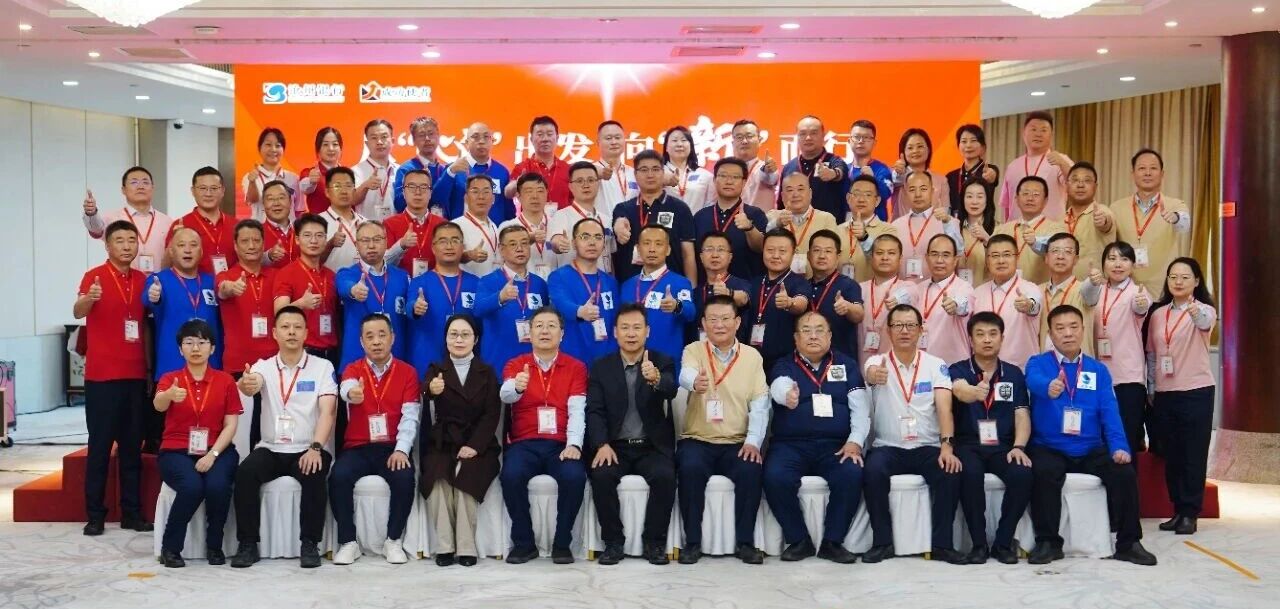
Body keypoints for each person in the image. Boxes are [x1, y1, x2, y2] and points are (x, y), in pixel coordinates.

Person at [1025, 305, 1156, 566]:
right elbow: (1033, 380)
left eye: (1073, 327)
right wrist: (1047, 387)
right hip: (1049, 446)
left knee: (1124, 473)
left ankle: (1129, 543)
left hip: (1090, 447)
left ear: (1083, 330)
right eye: (1060, 328)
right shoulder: (1037, 363)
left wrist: (1119, 447)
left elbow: (1110, 412)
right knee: (1043, 472)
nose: (1068, 333)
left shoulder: (1098, 370)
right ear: (1050, 334)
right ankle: (1048, 542)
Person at [230, 306, 338, 569]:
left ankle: (310, 543)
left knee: (314, 471)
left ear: (306, 333)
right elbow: (251, 383)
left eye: (297, 327)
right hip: (271, 447)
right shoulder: (263, 366)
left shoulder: (322, 367)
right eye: (285, 327)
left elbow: (328, 411)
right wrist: (246, 384)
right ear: (275, 333)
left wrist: (316, 447)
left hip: (307, 447)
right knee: (245, 473)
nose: (291, 332)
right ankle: (247, 544)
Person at [861, 304, 965, 564]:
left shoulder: (936, 365)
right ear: (888, 331)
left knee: (950, 471)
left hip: (927, 446)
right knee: (872, 471)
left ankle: (942, 544)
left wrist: (947, 447)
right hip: (888, 446)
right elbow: (870, 374)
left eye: (910, 325)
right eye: (898, 325)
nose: (904, 331)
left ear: (921, 330)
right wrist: (874, 375)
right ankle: (882, 542)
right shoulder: (876, 362)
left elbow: (944, 408)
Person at [764, 312, 868, 563]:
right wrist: (786, 395)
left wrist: (854, 441)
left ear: (830, 336)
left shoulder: (847, 365)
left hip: (836, 445)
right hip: (790, 445)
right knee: (775, 476)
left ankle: (833, 541)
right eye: (806, 330)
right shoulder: (784, 364)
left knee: (851, 473)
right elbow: (779, 385)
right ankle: (799, 540)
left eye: (820, 330)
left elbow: (860, 408)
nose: (813, 336)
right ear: (796, 338)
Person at [677, 295, 770, 564]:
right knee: (689, 468)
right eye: (713, 319)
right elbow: (685, 374)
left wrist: (753, 441)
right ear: (704, 323)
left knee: (751, 469)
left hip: (737, 441)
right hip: (698, 438)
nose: (719, 325)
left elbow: (760, 404)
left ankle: (745, 543)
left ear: (737, 322)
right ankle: (692, 542)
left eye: (726, 319)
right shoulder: (694, 350)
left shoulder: (752, 357)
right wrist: (694, 382)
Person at [73, 220, 152, 536]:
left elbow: (147, 325)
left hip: (135, 375)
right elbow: (78, 311)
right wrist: (90, 298)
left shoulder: (143, 280)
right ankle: (95, 515)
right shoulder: (94, 276)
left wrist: (149, 371)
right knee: (100, 447)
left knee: (132, 448)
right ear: (107, 245)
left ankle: (132, 513)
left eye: (132, 240)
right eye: (120, 240)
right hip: (102, 378)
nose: (127, 246)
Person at [585, 304, 679, 565]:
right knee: (601, 475)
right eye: (625, 328)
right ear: (615, 332)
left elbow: (671, 389)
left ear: (647, 331)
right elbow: (594, 410)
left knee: (665, 476)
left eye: (637, 327)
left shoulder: (662, 361)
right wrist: (601, 444)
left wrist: (656, 378)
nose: (631, 333)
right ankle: (613, 543)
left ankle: (654, 543)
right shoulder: (601, 367)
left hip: (651, 446)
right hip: (615, 446)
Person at [499, 307, 588, 564]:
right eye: (538, 326)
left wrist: (574, 445)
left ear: (562, 333)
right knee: (511, 475)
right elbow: (505, 395)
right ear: (529, 333)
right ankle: (524, 543)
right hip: (524, 443)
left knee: (574, 476)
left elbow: (577, 410)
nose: (545, 331)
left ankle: (562, 543)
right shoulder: (516, 364)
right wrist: (517, 387)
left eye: (551, 326)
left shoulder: (576, 367)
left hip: (560, 443)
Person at [331, 314, 421, 565]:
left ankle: (393, 540)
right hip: (358, 446)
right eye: (369, 337)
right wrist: (352, 393)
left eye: (382, 335)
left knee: (404, 477)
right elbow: (346, 388)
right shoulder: (353, 369)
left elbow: (410, 416)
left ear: (393, 338)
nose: (376, 341)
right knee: (338, 476)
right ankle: (348, 542)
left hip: (391, 446)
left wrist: (402, 450)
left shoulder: (408, 372)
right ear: (361, 342)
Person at [153, 319, 242, 567]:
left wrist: (212, 455)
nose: (195, 348)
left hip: (218, 449)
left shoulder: (225, 381)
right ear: (180, 349)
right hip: (176, 451)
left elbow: (231, 425)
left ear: (212, 348)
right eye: (189, 342)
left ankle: (214, 546)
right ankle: (170, 548)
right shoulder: (170, 379)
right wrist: (168, 395)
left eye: (202, 342)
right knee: (192, 486)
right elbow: (158, 405)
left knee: (218, 486)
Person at [947, 312, 1032, 564]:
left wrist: (1019, 446)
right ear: (970, 339)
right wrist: (973, 392)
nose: (987, 339)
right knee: (970, 474)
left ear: (1002, 338)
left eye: (993, 334)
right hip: (969, 444)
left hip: (1003, 446)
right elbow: (958, 389)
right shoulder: (957, 369)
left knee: (1022, 474)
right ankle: (978, 544)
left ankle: (1003, 543)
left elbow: (1022, 414)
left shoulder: (1014, 374)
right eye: (980, 334)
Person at [420, 314, 501, 567]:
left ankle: (466, 547)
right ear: (445, 339)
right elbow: (426, 392)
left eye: (465, 335)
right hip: (443, 441)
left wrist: (474, 446)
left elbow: (491, 414)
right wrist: (430, 391)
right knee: (437, 477)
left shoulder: (487, 373)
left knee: (467, 475)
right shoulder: (436, 370)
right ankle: (445, 546)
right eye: (453, 334)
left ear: (475, 340)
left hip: (480, 443)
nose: (459, 340)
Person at [1147, 257, 1217, 535]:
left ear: (1196, 281)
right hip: (1165, 393)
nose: (1178, 282)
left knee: (1193, 454)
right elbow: (1152, 355)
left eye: (1185, 277)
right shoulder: (1157, 314)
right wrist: (1152, 387)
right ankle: (1177, 509)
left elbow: (1204, 323)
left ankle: (1190, 512)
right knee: (1172, 454)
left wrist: (1193, 310)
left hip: (1196, 391)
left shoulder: (1205, 310)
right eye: (1173, 277)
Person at [1081, 241, 1152, 452]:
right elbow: (1086, 298)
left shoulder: (1137, 292)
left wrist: (1141, 304)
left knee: (1126, 437)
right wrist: (1091, 282)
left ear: (1133, 265)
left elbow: (1141, 307)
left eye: (1124, 259)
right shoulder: (1098, 290)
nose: (1118, 264)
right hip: (1096, 374)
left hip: (1127, 377)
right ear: (1104, 264)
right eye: (1112, 258)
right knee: (1098, 438)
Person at [1110, 148, 1192, 296]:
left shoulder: (1175, 204)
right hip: (1126, 289)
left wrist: (1175, 217)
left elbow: (1184, 225)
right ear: (1133, 174)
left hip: (1163, 289)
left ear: (1162, 174)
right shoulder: (1116, 207)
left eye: (1153, 168)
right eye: (1142, 168)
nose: (1147, 173)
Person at [148, 226, 223, 385]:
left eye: (193, 245)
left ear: (201, 252)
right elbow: (150, 299)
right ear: (171, 252)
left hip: (210, 367)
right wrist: (154, 296)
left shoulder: (212, 281)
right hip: (172, 367)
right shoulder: (158, 280)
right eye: (181, 245)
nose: (187, 250)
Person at [612, 149, 697, 282]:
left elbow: (688, 255)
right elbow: (619, 222)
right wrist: (618, 227)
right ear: (635, 174)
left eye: (655, 169)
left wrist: (691, 289)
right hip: (632, 287)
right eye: (644, 170)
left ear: (663, 173)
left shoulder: (680, 208)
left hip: (670, 287)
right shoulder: (623, 209)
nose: (650, 175)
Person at [475, 225, 550, 373]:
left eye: (524, 243)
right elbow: (477, 309)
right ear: (501, 250)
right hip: (498, 363)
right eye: (513, 244)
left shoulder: (539, 283)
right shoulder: (488, 281)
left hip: (534, 363)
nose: (520, 249)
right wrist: (500, 297)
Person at [407, 222, 479, 376]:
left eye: (455, 240)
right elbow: (410, 307)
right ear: (433, 248)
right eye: (443, 241)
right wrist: (415, 308)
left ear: (462, 247)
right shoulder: (419, 282)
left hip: (466, 362)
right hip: (429, 359)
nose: (449, 246)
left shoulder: (475, 282)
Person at [336, 221, 410, 369]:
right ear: (357, 245)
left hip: (396, 358)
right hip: (357, 359)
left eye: (377, 239)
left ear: (386, 242)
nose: (371, 245)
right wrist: (354, 290)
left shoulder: (402, 277)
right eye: (365, 240)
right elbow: (344, 286)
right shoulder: (347, 274)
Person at [619, 225, 697, 367]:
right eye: (647, 243)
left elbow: (691, 312)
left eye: (659, 244)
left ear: (668, 250)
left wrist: (677, 305)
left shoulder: (680, 283)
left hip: (666, 363)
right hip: (631, 363)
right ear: (638, 249)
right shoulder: (627, 285)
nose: (652, 249)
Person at [549, 218, 619, 365]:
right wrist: (580, 311)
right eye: (585, 237)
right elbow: (562, 303)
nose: (592, 242)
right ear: (574, 243)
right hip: (572, 361)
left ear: (604, 244)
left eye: (598, 237)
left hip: (608, 362)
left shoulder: (610, 281)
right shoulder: (558, 277)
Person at [272, 214, 339, 364]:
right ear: (297, 239)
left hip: (331, 352)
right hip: (302, 352)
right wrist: (301, 304)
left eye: (319, 235)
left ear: (325, 239)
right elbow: (279, 312)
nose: (314, 241)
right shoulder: (286, 273)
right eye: (307, 235)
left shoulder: (331, 275)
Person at [741, 228, 810, 372]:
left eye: (782, 251)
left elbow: (801, 304)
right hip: (751, 359)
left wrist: (790, 303)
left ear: (793, 253)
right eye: (770, 250)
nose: (776, 256)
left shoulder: (799, 282)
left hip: (785, 362)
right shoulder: (754, 282)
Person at [82, 166, 174, 273]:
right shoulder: (113, 218)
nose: (140, 187)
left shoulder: (167, 222)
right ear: (123, 190)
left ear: (152, 188)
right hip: (124, 280)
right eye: (134, 182)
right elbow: (96, 229)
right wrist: (91, 213)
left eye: (145, 182)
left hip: (159, 280)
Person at [972, 234, 1044, 369]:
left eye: (1007, 255)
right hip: (985, 371)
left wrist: (1028, 305)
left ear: (1017, 258)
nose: (1001, 261)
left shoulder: (1030, 289)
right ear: (987, 260)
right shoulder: (977, 293)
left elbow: (1035, 305)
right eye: (995, 256)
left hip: (1022, 371)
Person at [217, 220, 278, 375]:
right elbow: (223, 288)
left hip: (273, 362)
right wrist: (232, 287)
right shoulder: (226, 276)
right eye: (245, 241)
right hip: (238, 363)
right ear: (235, 246)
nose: (251, 246)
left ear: (263, 245)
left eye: (256, 240)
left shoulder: (277, 276)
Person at [692, 157, 768, 282]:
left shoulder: (755, 214)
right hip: (706, 288)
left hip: (745, 287)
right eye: (723, 176)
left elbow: (763, 248)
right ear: (714, 180)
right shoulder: (701, 216)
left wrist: (750, 228)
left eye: (735, 177)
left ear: (744, 182)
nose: (729, 181)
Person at [912, 233, 974, 366]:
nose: (939, 260)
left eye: (946, 255)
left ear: (955, 260)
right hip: (921, 364)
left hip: (953, 366)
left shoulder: (964, 288)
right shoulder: (919, 288)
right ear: (927, 258)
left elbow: (963, 304)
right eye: (934, 254)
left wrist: (955, 305)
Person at [998, 112, 1073, 221]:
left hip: (1050, 229)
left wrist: (1063, 164)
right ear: (1024, 133)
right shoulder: (1013, 166)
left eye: (1044, 130)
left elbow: (1074, 185)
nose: (1038, 134)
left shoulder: (1061, 160)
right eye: (1033, 129)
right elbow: (1007, 205)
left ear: (1051, 135)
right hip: (1017, 228)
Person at [889, 170, 963, 281]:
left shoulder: (947, 222)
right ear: (906, 193)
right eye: (912, 190)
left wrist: (947, 223)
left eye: (923, 189)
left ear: (932, 191)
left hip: (936, 289)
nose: (918, 194)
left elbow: (959, 251)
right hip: (902, 289)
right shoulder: (896, 225)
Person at [994, 176, 1067, 286]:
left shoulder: (1057, 230)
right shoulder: (1002, 230)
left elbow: (1056, 254)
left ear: (1045, 201)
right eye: (1025, 193)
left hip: (1040, 292)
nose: (1030, 198)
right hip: (1004, 291)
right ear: (1016, 199)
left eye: (1036, 194)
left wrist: (1035, 243)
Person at [806, 230, 863, 358]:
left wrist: (848, 307)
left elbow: (859, 315)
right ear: (808, 255)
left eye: (828, 251)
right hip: (807, 359)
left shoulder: (848, 285)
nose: (822, 256)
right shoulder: (803, 286)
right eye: (817, 250)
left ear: (838, 256)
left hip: (839, 360)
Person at [549, 161, 614, 273]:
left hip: (602, 280)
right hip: (573, 280)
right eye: (579, 181)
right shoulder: (561, 216)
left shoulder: (606, 219)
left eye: (591, 180)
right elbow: (555, 242)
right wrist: (559, 243)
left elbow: (610, 257)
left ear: (598, 184)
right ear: (570, 186)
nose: (586, 185)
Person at [779, 115, 848, 222]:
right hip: (794, 227)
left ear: (823, 136)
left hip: (827, 228)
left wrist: (833, 174)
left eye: (813, 133)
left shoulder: (834, 161)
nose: (808, 138)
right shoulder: (789, 167)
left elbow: (841, 171)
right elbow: (781, 202)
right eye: (803, 134)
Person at [858, 234, 916, 359]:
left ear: (900, 258)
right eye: (879, 253)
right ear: (871, 257)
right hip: (862, 360)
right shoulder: (859, 289)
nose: (885, 258)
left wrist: (897, 299)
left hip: (895, 362)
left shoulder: (908, 287)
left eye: (891, 253)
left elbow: (908, 294)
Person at [445, 122, 514, 225]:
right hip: (461, 232)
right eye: (475, 137)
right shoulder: (453, 169)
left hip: (494, 232)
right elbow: (438, 200)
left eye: (486, 137)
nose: (481, 141)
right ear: (466, 142)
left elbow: (508, 209)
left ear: (492, 141)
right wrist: (450, 172)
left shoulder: (502, 171)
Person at [771, 172, 839, 276]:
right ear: (782, 196)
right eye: (790, 190)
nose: (795, 194)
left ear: (810, 193)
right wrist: (777, 224)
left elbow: (833, 256)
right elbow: (761, 243)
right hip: (780, 281)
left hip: (817, 281)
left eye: (800, 189)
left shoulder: (826, 219)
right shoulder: (773, 217)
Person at [172, 166, 236, 275]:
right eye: (202, 188)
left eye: (214, 188)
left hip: (232, 284)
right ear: (193, 191)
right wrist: (175, 239)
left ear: (222, 191)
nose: (208, 194)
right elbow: (167, 266)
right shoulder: (180, 225)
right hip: (194, 285)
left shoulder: (237, 225)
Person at [394, 116, 461, 217]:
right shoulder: (406, 169)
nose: (427, 139)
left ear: (438, 137)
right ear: (413, 140)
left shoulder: (446, 171)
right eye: (421, 135)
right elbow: (399, 205)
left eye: (431, 134)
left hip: (444, 225)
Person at [1039, 233, 1094, 356]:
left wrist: (1094, 282)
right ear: (1046, 258)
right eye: (1055, 251)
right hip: (1045, 363)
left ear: (1076, 259)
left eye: (1068, 252)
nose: (1060, 256)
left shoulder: (1083, 290)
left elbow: (1092, 291)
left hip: (1079, 365)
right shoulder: (1036, 291)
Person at [384, 168, 445, 278]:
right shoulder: (389, 224)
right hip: (401, 285)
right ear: (403, 192)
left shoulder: (443, 225)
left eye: (423, 187)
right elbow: (382, 263)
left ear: (430, 193)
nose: (418, 192)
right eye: (412, 187)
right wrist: (401, 245)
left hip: (435, 284)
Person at [837, 175, 899, 283]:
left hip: (872, 292)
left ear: (877, 201)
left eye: (868, 195)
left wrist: (864, 237)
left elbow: (886, 260)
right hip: (841, 292)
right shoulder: (836, 231)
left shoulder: (889, 230)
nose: (861, 199)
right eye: (857, 194)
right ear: (848, 198)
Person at [1063, 162, 1116, 278]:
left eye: (1087, 181)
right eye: (1075, 180)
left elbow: (1106, 223)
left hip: (1096, 285)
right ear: (1066, 185)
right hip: (1065, 286)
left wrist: (1103, 221)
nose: (1080, 185)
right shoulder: (1060, 219)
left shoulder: (1102, 211)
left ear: (1095, 187)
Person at [507, 115, 572, 210]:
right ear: (531, 139)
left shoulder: (568, 169)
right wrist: (517, 183)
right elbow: (508, 193)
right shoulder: (523, 167)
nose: (545, 139)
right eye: (540, 134)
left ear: (557, 138)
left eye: (549, 134)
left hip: (563, 219)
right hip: (531, 219)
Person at [499, 173, 557, 279]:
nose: (535, 196)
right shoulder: (507, 227)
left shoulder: (558, 224)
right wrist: (526, 239)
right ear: (518, 196)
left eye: (540, 191)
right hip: (522, 285)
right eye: (529, 191)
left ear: (547, 193)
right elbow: (501, 262)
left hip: (554, 285)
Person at [242, 127, 302, 222]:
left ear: (283, 149)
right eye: (268, 145)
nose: (273, 149)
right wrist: (252, 182)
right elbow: (252, 200)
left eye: (278, 146)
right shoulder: (250, 177)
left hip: (288, 229)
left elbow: (299, 210)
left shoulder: (293, 178)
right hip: (261, 229)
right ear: (260, 148)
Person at [889, 129, 949, 219]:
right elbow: (896, 180)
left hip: (933, 226)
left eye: (920, 146)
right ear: (903, 152)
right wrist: (899, 172)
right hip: (901, 227)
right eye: (910, 148)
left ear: (928, 150)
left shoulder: (941, 180)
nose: (915, 151)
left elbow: (946, 211)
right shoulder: (898, 176)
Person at [945, 124, 1000, 219]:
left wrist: (992, 176)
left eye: (973, 141)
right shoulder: (951, 176)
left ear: (983, 147)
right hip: (956, 225)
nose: (968, 145)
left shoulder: (988, 170)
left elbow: (993, 175)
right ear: (958, 146)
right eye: (964, 141)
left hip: (983, 224)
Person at [694, 231, 751, 319]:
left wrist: (728, 293)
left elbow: (744, 299)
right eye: (709, 249)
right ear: (701, 257)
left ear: (730, 257)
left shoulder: (743, 285)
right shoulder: (695, 293)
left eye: (721, 250)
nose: (715, 255)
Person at [320, 166, 367, 273]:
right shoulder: (316, 223)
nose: (344, 191)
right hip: (330, 281)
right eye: (337, 186)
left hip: (364, 281)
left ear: (354, 191)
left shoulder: (366, 223)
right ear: (327, 192)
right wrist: (330, 244)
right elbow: (311, 261)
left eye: (348, 186)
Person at [351, 119, 399, 221]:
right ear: (367, 143)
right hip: (366, 228)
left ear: (393, 141)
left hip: (395, 228)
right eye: (374, 138)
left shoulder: (400, 170)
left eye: (384, 137)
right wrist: (365, 186)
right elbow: (352, 201)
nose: (379, 142)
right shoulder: (355, 171)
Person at [456, 174, 503, 277]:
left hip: (494, 284)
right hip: (469, 285)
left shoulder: (494, 226)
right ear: (466, 198)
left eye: (486, 192)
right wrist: (469, 255)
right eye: (475, 192)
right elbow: (449, 257)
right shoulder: (456, 226)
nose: (481, 197)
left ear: (493, 198)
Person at [729, 119, 781, 212]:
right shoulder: (725, 171)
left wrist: (769, 170)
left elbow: (770, 177)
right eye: (739, 137)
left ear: (760, 140)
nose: (744, 141)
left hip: (759, 221)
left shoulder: (764, 168)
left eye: (749, 136)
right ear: (733, 143)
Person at [847, 119, 894, 219]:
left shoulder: (882, 170)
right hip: (847, 225)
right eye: (857, 137)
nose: (861, 141)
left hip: (876, 226)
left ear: (874, 143)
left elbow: (886, 193)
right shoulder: (844, 170)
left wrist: (872, 179)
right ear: (849, 141)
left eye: (866, 137)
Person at [662, 125, 715, 211]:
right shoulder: (657, 173)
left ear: (691, 146)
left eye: (684, 140)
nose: (679, 144)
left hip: (696, 219)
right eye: (674, 140)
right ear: (666, 148)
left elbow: (710, 205)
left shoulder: (706, 176)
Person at [593, 120, 638, 220]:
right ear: (598, 142)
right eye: (608, 138)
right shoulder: (591, 171)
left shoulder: (634, 173)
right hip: (602, 228)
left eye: (618, 138)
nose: (614, 142)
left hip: (632, 228)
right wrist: (595, 172)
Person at [958, 178, 996, 286]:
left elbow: (1002, 262)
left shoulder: (999, 229)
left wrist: (987, 239)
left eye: (979, 197)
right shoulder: (955, 228)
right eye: (969, 196)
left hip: (987, 291)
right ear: (963, 199)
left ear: (987, 200)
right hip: (957, 291)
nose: (974, 202)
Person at [298, 126, 344, 215]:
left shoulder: (348, 174)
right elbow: (304, 188)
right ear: (318, 149)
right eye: (325, 144)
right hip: (319, 223)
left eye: (335, 144)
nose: (331, 148)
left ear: (340, 148)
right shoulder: (309, 173)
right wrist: (311, 181)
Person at [261, 180, 302, 267]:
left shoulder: (302, 231)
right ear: (263, 204)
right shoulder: (255, 233)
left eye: (281, 198)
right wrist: (268, 256)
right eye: (270, 199)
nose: (276, 203)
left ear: (290, 202)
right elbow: (247, 262)